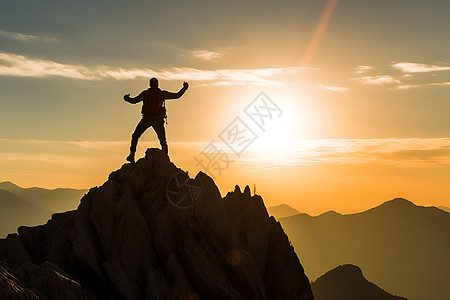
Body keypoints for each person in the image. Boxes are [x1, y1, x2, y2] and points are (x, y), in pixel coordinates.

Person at [124, 77, 188, 163]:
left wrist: (126, 98)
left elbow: (134, 101)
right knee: (162, 140)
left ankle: (131, 155)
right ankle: (165, 159)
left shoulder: (145, 93)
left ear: (149, 84)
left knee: (135, 136)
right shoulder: (162, 94)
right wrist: (185, 88)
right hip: (158, 119)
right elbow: (177, 95)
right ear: (157, 84)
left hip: (146, 118)